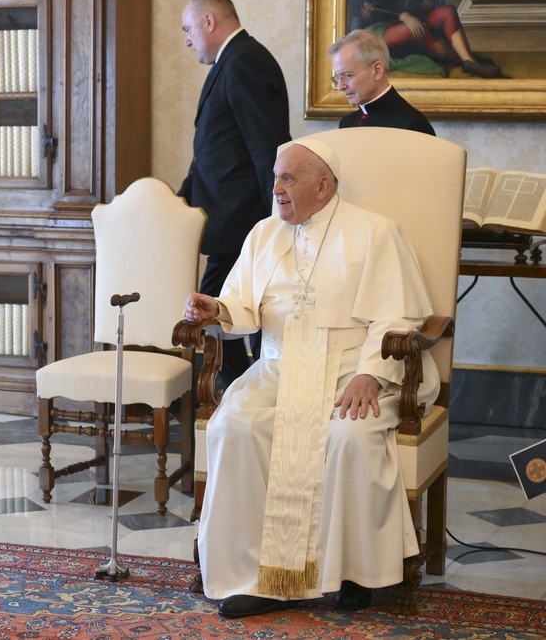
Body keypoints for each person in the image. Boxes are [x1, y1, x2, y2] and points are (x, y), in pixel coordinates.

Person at [182, 138, 440, 618]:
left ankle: (351, 573)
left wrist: (368, 374)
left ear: (323, 186)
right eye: (276, 177)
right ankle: (256, 573)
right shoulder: (263, 234)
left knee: (350, 437)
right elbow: (243, 306)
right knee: (234, 426)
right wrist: (215, 307)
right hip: (280, 368)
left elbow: (396, 318)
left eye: (288, 178)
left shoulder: (375, 233)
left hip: (352, 369)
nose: (275, 187)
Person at [178, 0, 291, 386]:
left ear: (210, 20)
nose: (188, 41)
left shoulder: (245, 62)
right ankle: (251, 396)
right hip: (228, 225)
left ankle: (252, 395)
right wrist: (178, 204)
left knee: (209, 322)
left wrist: (278, 223)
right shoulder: (232, 62)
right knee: (214, 324)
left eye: (189, 29)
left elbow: (267, 153)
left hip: (244, 227)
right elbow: (214, 153)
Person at [347, 0, 503, 78]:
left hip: (406, 19)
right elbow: (368, 11)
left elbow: (426, 1)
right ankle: (467, 60)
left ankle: (469, 62)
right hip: (375, 31)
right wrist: (403, 16)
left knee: (447, 11)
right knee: (417, 30)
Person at [329, 30, 435, 135]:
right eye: (338, 77)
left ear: (377, 70)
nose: (340, 87)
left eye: (347, 75)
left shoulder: (413, 126)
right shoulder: (348, 123)